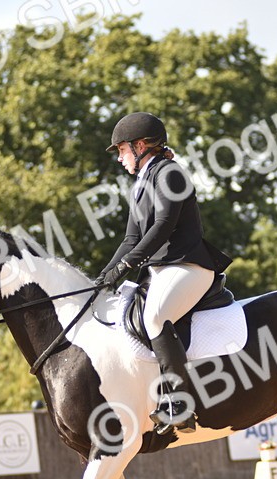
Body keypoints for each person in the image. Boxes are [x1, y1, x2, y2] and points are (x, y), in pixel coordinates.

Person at [98, 112, 231, 435]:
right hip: (162, 270)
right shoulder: (141, 184)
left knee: (155, 316)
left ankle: (179, 403)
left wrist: (128, 265)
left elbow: (164, 225)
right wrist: (103, 277)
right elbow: (131, 238)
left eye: (121, 150)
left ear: (141, 145)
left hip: (189, 266)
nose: (119, 158)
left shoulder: (170, 173)